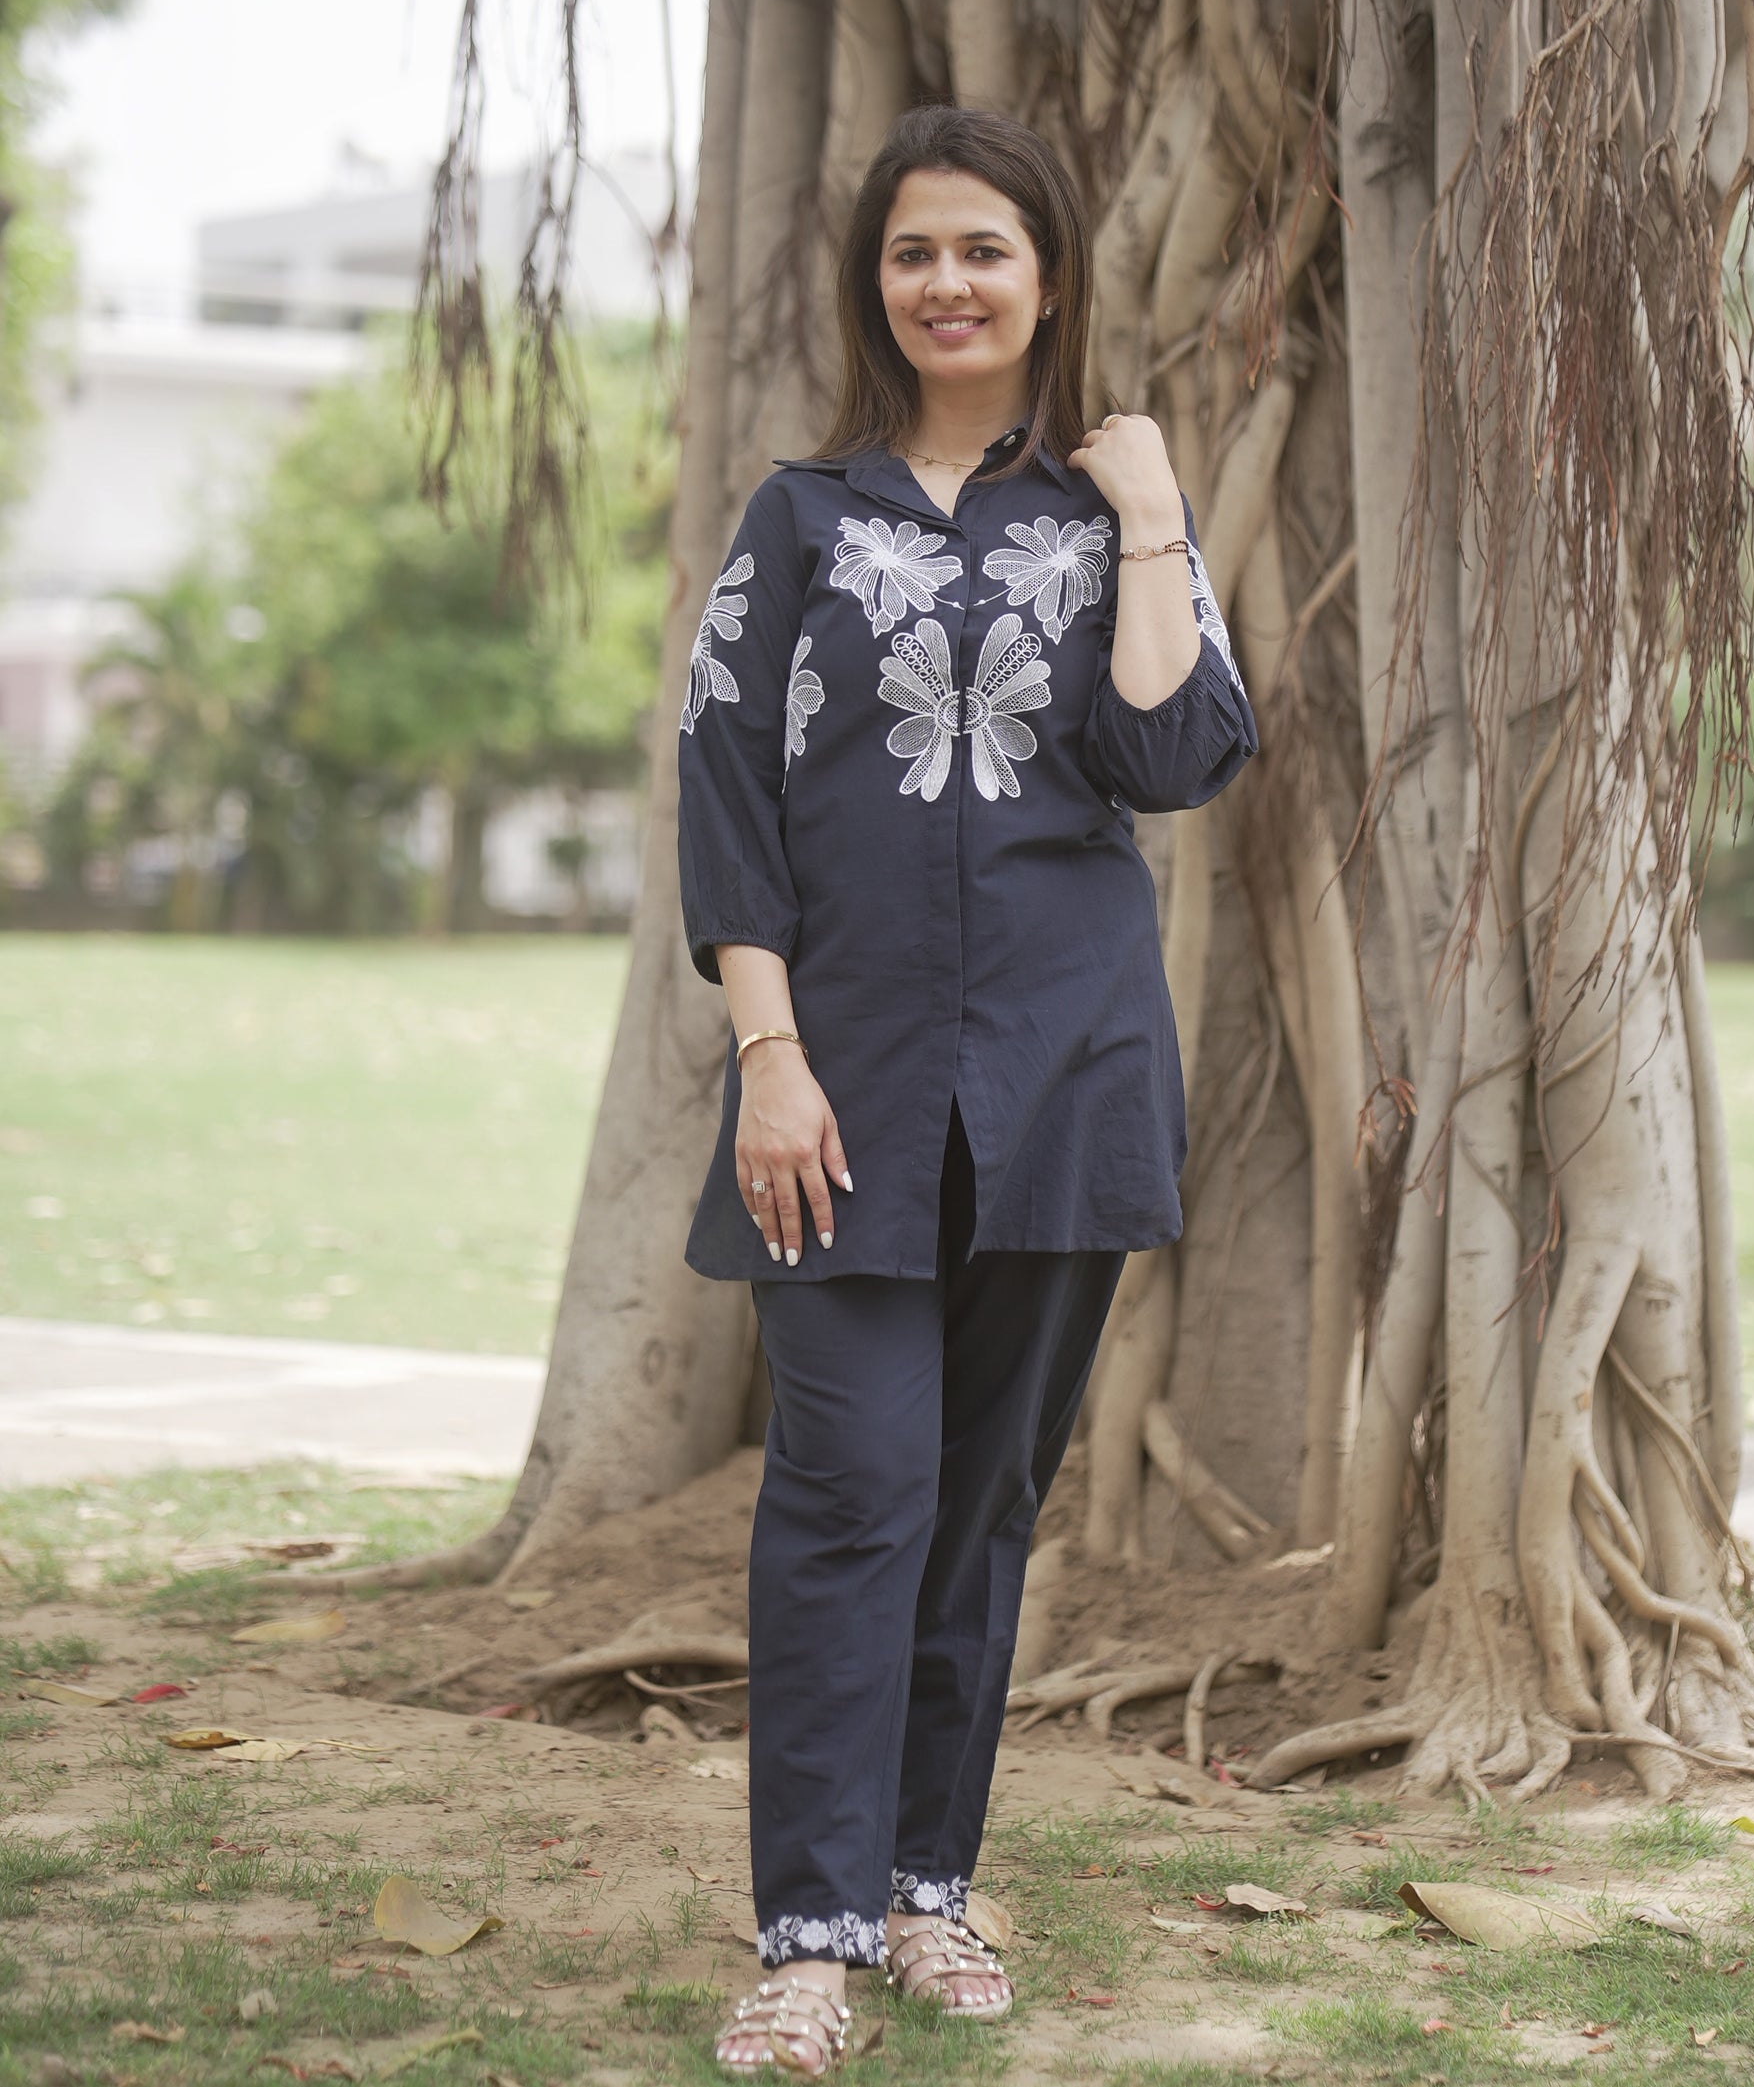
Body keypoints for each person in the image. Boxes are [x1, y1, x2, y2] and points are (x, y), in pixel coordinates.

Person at [677, 104, 1257, 2077]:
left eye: (982, 250)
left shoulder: (1105, 522)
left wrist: (1158, 505)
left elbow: (1175, 755)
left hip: (1061, 1082)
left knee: (981, 1508)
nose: (945, 282)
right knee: (848, 1490)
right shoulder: (797, 518)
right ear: (876, 280)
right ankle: (809, 1926)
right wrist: (764, 1052)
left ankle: (926, 1884)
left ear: (1048, 276)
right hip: (829, 1093)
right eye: (913, 250)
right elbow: (725, 799)